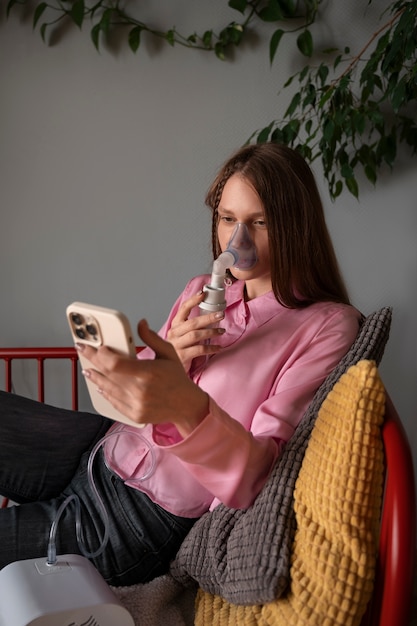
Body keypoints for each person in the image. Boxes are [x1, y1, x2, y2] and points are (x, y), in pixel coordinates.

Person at [0, 143, 361, 586]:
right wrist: (169, 357)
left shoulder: (326, 326)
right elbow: (142, 403)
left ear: (296, 225)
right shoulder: (202, 291)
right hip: (97, 449)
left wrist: (188, 405)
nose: (237, 241)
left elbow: (259, 477)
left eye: (260, 222)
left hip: (134, 519)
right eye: (227, 219)